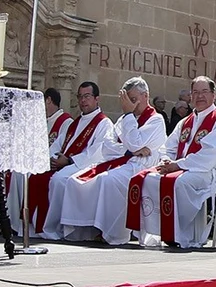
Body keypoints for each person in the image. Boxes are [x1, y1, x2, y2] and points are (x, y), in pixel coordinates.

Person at [45, 77, 168, 243]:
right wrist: (129, 151)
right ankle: (85, 229)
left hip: (139, 166)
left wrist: (129, 118)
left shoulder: (155, 120)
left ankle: (112, 233)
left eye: (133, 100)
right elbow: (108, 147)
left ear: (145, 96)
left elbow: (135, 142)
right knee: (75, 181)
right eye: (127, 101)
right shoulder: (123, 120)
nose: (130, 105)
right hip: (122, 162)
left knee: (107, 180)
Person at [133, 76, 216, 249]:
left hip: (209, 172)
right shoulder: (185, 121)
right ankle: (159, 231)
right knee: (149, 179)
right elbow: (168, 147)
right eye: (195, 92)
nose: (200, 96)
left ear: (213, 95)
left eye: (204, 92)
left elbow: (209, 156)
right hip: (185, 168)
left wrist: (178, 165)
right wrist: (167, 161)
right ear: (190, 96)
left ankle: (182, 234)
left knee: (181, 183)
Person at [24, 87, 76, 236]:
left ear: (48, 100)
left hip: (59, 165)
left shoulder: (66, 122)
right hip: (43, 162)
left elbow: (62, 146)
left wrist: (49, 160)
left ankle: (42, 226)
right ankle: (20, 224)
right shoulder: (44, 121)